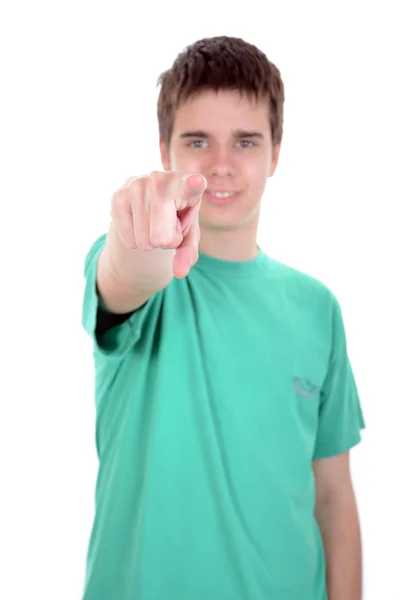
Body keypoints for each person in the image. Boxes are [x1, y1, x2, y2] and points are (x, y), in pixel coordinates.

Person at [81, 35, 365, 600]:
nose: (221, 166)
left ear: (275, 154)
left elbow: (333, 497)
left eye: (245, 141)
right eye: (197, 142)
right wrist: (143, 236)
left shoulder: (318, 307)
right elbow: (128, 272)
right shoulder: (143, 272)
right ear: (165, 153)